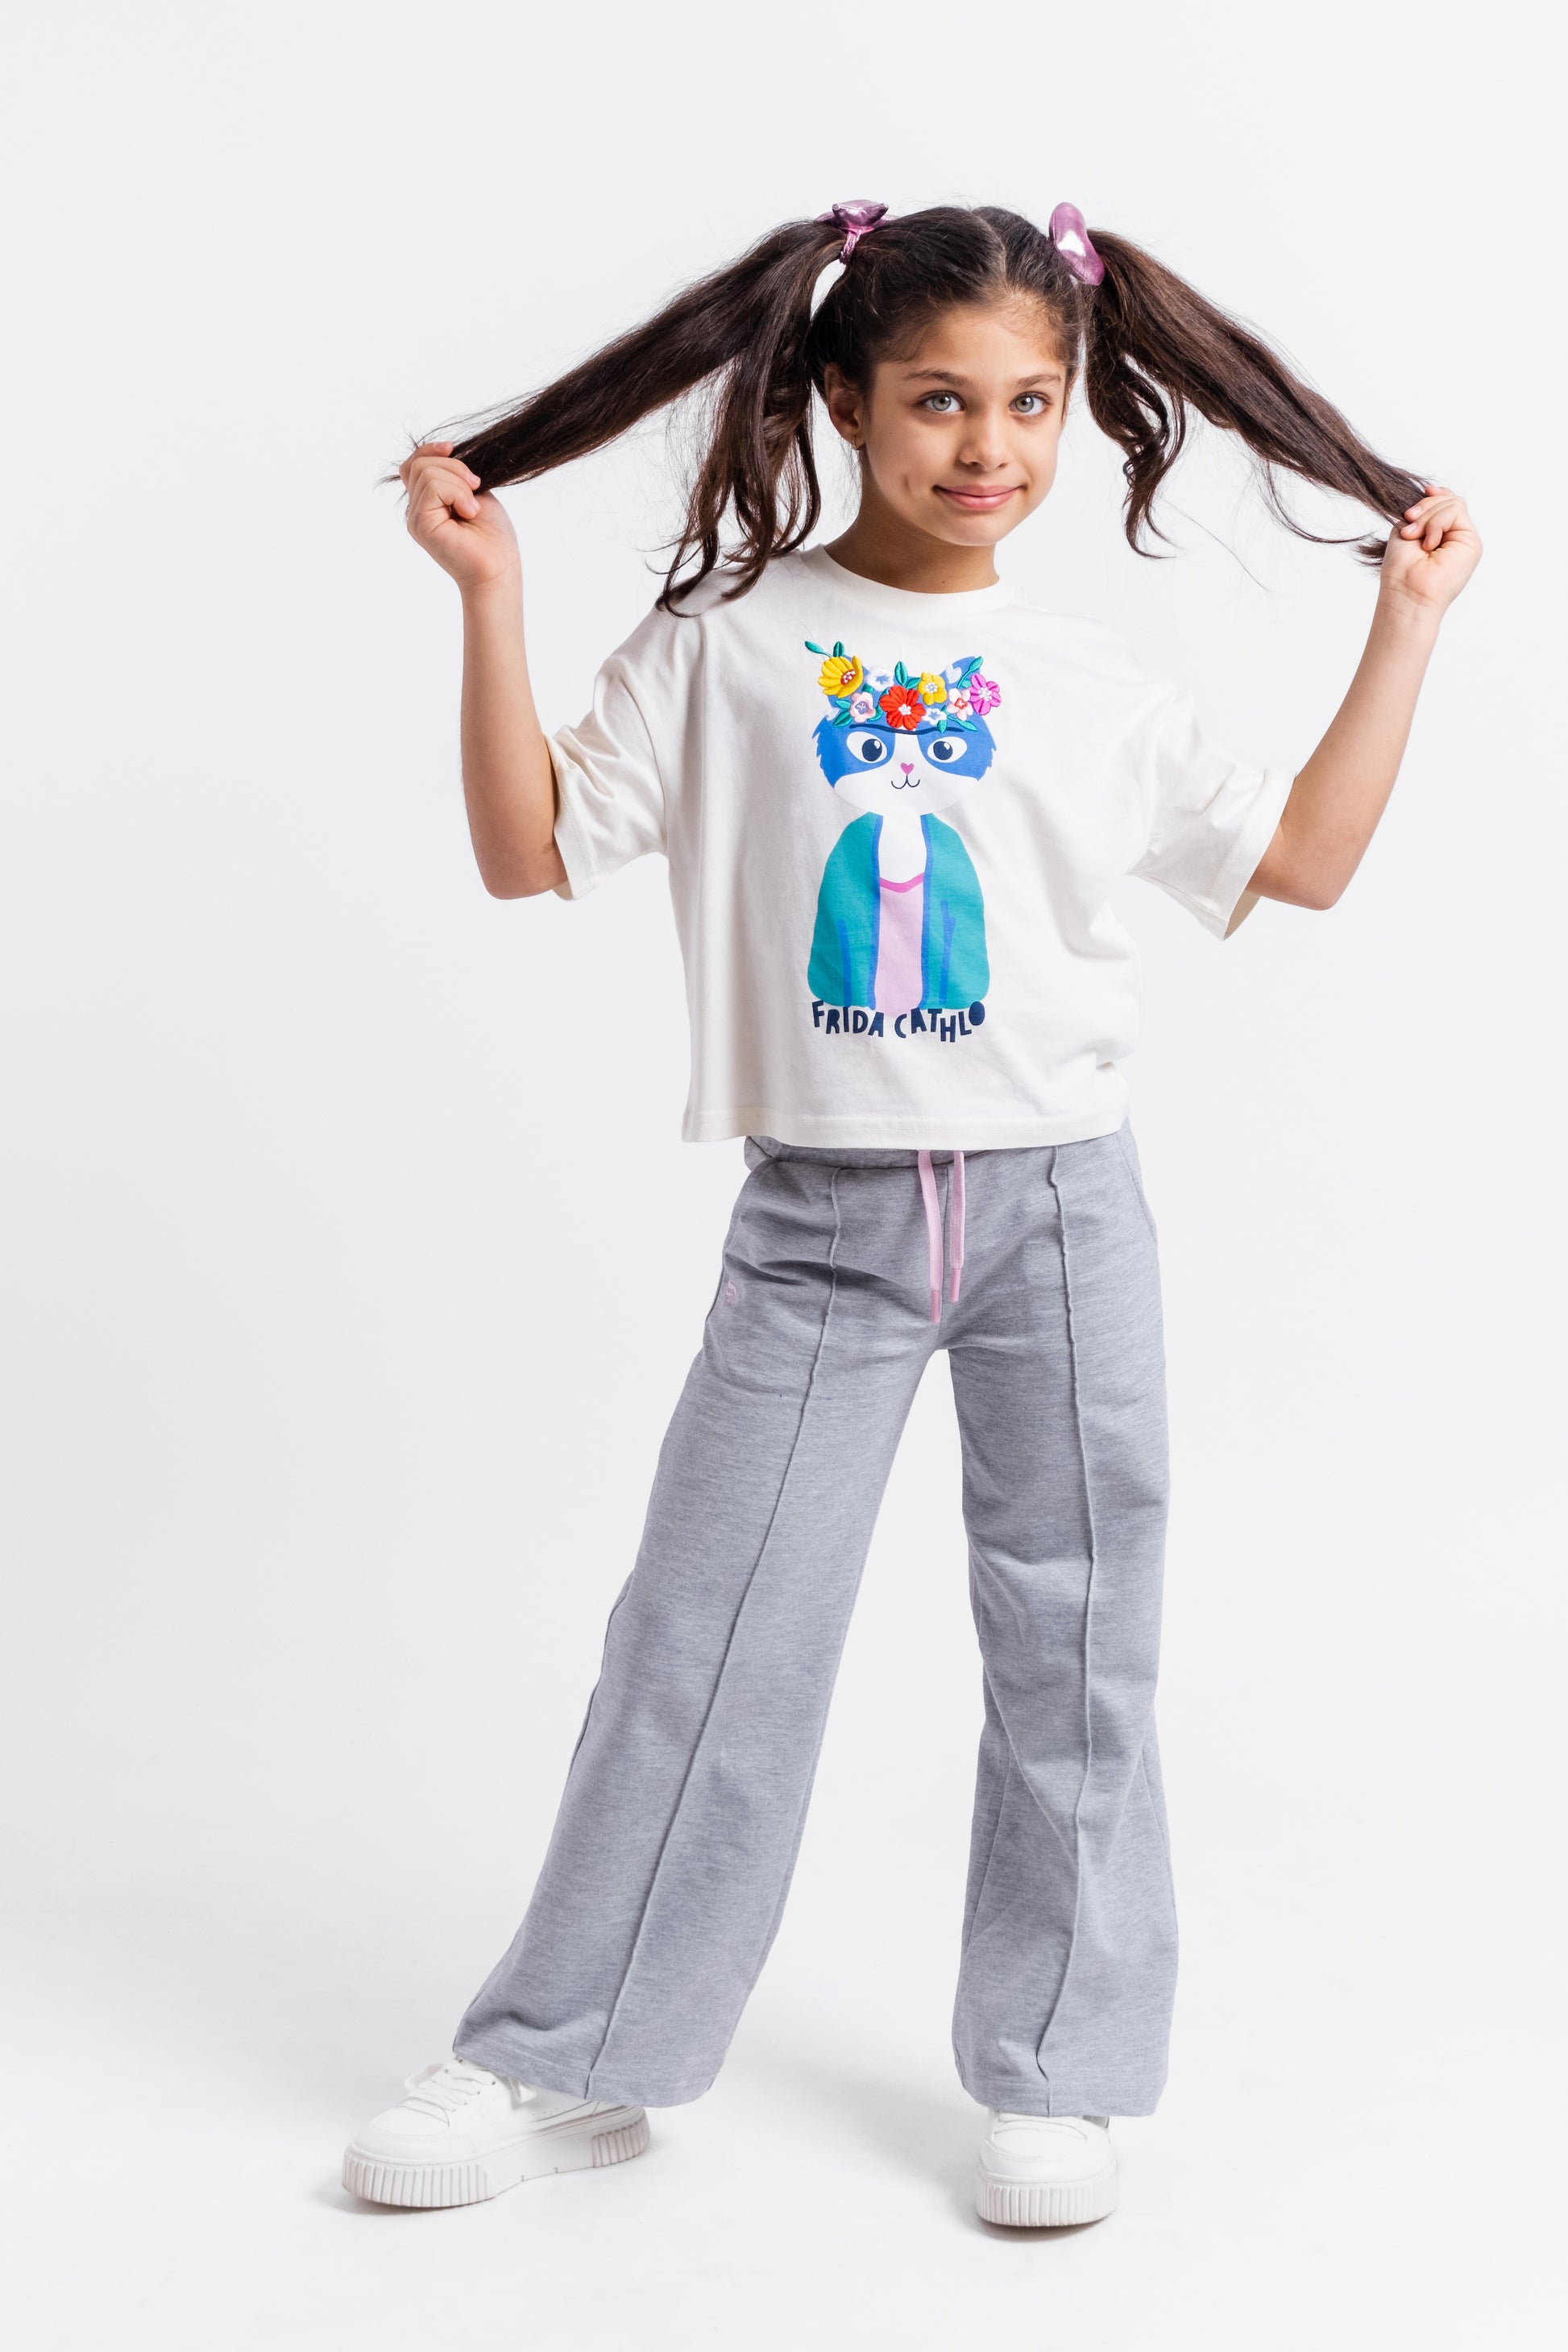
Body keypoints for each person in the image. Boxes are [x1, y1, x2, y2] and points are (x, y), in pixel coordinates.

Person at [342, 201, 1479, 2227]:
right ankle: (568, 2056)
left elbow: (1301, 861)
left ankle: (1062, 2070)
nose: (988, 446)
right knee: (705, 1635)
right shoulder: (728, 647)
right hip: (820, 1225)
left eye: (1030, 404)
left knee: (1078, 1645)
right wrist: (487, 596)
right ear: (844, 399)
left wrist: (1407, 625)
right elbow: (529, 848)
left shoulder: (1083, 678)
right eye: (941, 400)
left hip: (1064, 1215)